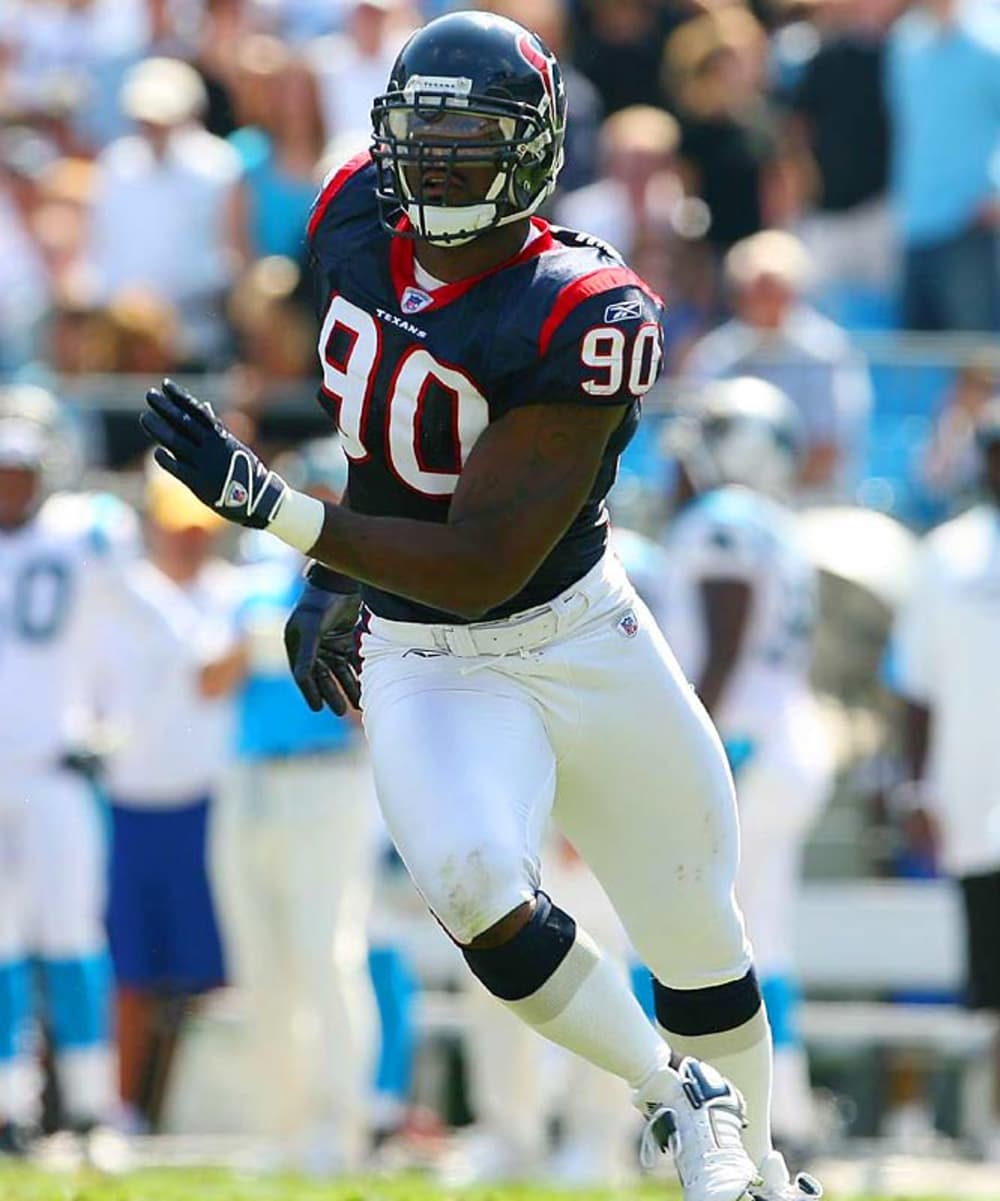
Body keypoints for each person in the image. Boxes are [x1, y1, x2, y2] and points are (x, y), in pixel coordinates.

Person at [139, 12, 822, 1200]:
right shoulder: (354, 216)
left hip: (573, 629)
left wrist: (281, 515)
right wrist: (334, 574)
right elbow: (390, 446)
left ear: (539, 148)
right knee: (468, 877)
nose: (443, 161)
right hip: (430, 651)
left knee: (698, 935)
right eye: (425, 132)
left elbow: (489, 556)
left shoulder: (581, 309)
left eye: (472, 137)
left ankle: (760, 1175)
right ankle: (676, 1096)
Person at [656, 379, 834, 1154]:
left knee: (695, 933)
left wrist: (695, 741)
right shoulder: (778, 526)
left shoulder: (722, 521)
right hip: (782, 737)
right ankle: (782, 1108)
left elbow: (723, 644)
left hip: (740, 743)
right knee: (764, 933)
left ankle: (705, 1105)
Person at [213, 439, 379, 1174]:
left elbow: (363, 708)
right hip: (250, 777)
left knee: (326, 953)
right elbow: (207, 678)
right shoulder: (255, 576)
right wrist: (248, 646)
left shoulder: (371, 588)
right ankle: (277, 1129)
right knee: (262, 957)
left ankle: (337, 1129)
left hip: (326, 778)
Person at [0, 385, 135, 1154]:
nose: (10, 485)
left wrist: (117, 722)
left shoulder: (88, 534)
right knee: (2, 946)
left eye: (22, 470)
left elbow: (136, 628)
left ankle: (91, 1106)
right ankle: (10, 1107)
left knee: (74, 938)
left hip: (57, 764)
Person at [101, 463, 243, 1133]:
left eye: (199, 530)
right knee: (127, 971)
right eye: (178, 527)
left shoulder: (234, 594)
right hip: (127, 802)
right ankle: (121, 1108)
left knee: (209, 974)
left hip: (209, 804)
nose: (188, 541)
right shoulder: (121, 591)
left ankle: (190, 1114)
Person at [889, 397, 1000, 1158]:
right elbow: (915, 684)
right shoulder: (950, 553)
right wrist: (918, 789)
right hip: (974, 800)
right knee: (991, 984)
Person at [682, 230, 871, 502]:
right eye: (754, 291)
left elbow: (831, 447)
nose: (764, 301)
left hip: (812, 503)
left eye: (774, 290)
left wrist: (775, 495)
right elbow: (693, 436)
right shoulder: (716, 354)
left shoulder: (826, 353)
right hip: (729, 503)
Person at [884, 0, 1000, 333]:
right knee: (918, 363)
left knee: (976, 364)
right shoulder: (904, 42)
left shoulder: (992, 40)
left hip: (970, 225)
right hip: (914, 226)